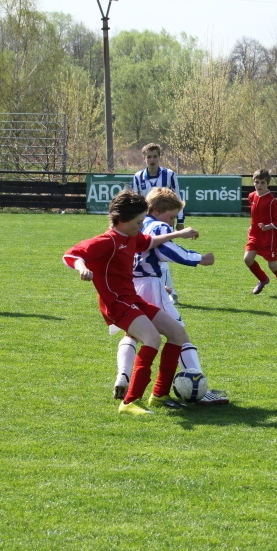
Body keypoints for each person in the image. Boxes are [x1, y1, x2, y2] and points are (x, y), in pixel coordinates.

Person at [64, 189, 196, 415]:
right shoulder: (107, 240)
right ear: (122, 220)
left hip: (132, 299)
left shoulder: (132, 236)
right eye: (138, 222)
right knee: (151, 338)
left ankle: (159, 395)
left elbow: (149, 242)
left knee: (177, 333)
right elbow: (71, 255)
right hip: (115, 303)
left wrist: (176, 235)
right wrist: (82, 268)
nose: (141, 225)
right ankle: (129, 402)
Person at [113, 187, 229, 406]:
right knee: (180, 335)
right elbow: (164, 250)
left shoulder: (135, 224)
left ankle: (123, 376)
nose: (173, 222)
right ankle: (198, 387)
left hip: (132, 285)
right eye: (172, 216)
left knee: (132, 335)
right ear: (157, 210)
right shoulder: (158, 225)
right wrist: (198, 258)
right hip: (151, 284)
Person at [132, 142, 185, 303]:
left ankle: (168, 292)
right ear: (144, 158)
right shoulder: (138, 177)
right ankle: (166, 292)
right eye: (149, 157)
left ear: (159, 157)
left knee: (161, 253)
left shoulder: (169, 175)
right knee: (152, 255)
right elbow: (136, 200)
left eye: (155, 156)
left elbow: (178, 197)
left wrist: (180, 220)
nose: (152, 159)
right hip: (145, 222)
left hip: (165, 221)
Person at [245, 168, 277, 298]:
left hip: (270, 237)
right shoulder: (252, 196)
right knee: (247, 259)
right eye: (257, 182)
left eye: (262, 182)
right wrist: (251, 227)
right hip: (255, 235)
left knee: (273, 266)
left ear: (267, 184)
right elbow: (255, 215)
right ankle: (263, 279)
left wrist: (268, 226)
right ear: (253, 182)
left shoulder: (271, 201)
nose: (259, 185)